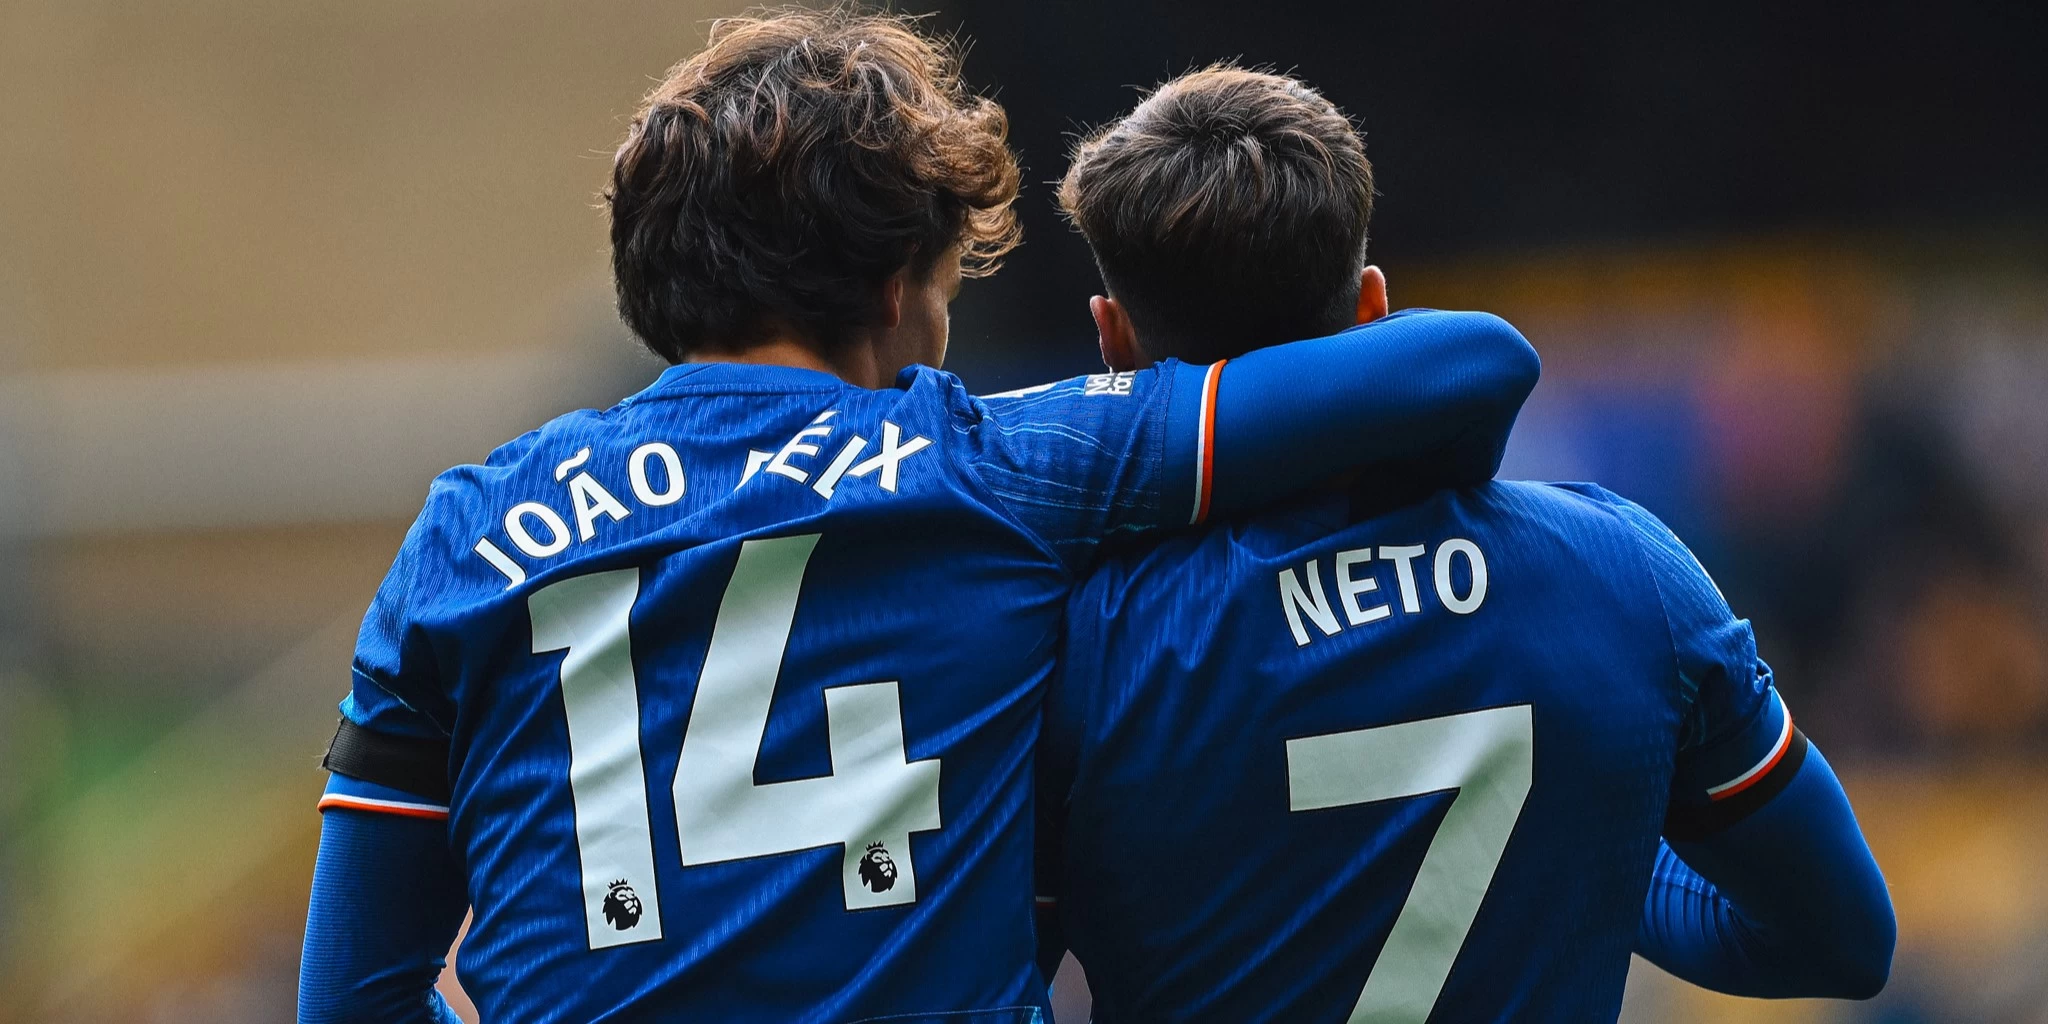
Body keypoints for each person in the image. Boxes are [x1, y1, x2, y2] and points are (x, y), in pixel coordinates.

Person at [294, 13, 1539, 1024]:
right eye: (945, 289)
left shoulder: (460, 536)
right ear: (894, 288)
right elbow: (1467, 363)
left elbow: (351, 996)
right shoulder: (994, 468)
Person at [1036, 66, 1895, 1023]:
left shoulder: (1076, 647)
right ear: (1372, 306)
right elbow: (1842, 939)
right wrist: (1595, 835)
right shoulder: (1625, 575)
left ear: (1111, 341)